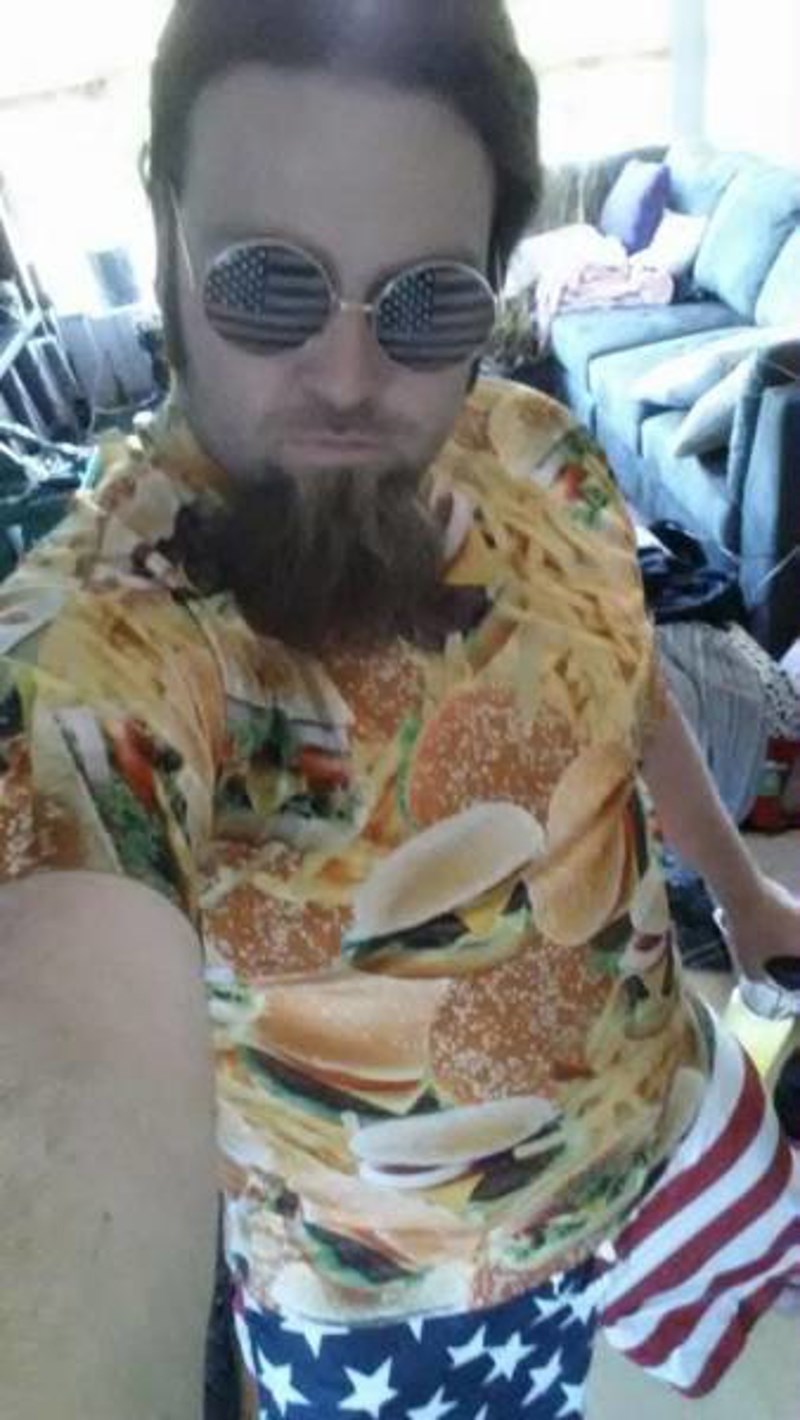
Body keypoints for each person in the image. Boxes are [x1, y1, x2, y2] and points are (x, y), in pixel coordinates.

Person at [2, 4, 799, 1417]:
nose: (348, 379)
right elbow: (62, 1099)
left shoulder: (541, 454)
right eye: (268, 284)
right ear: (165, 229)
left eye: (427, 302)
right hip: (405, 1306)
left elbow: (625, 699)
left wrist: (739, 897)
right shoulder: (102, 650)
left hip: (666, 1118)